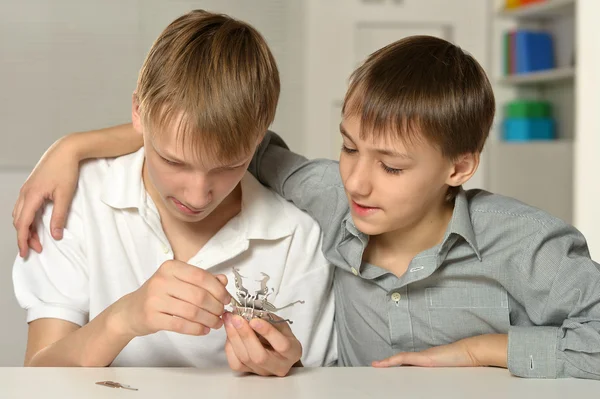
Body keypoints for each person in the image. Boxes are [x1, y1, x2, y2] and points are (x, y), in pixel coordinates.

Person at [14, 35, 600, 379]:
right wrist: (73, 147)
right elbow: (212, 136)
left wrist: (480, 351)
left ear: (459, 168)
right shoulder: (321, 192)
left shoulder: (527, 243)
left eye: (392, 167)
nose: (359, 183)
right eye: (347, 148)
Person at [11, 9, 336, 376]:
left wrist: (288, 366)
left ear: (259, 138)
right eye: (174, 162)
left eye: (228, 166)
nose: (198, 196)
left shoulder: (297, 237)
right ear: (137, 112)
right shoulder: (78, 202)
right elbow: (37, 374)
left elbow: (316, 384)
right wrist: (124, 318)